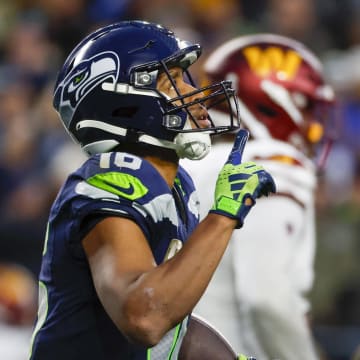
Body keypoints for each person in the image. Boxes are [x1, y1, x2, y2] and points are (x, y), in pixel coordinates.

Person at [28, 20, 275, 360]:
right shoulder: (112, 179)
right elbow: (143, 317)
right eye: (172, 80)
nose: (193, 92)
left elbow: (173, 329)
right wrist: (224, 216)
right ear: (122, 101)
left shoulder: (177, 189)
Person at [182, 33, 335, 360]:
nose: (313, 126)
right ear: (272, 102)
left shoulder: (184, 165)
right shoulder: (274, 165)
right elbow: (267, 299)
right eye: (306, 107)